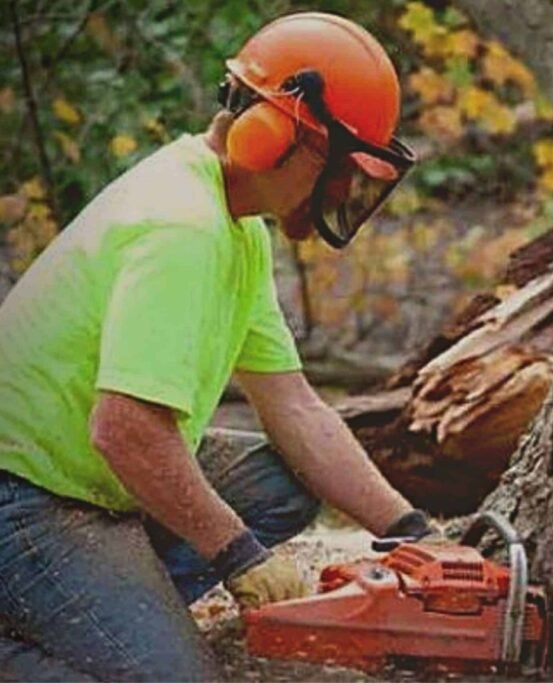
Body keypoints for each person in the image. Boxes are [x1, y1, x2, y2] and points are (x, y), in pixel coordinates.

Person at [0, 12, 431, 681]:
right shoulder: (184, 227)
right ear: (271, 135)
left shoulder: (235, 223)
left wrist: (414, 532)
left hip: (85, 472)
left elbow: (297, 409)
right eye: (337, 165)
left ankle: (107, 614)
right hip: (27, 493)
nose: (343, 190)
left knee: (282, 482)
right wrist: (238, 553)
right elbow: (125, 428)